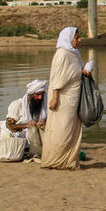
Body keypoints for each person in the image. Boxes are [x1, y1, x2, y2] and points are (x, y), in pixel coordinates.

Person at [42, 27, 89, 170]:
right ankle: (55, 160)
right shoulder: (62, 54)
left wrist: (86, 70)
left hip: (73, 99)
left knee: (71, 129)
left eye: (79, 37)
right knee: (62, 129)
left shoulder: (74, 53)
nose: (79, 40)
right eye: (76, 37)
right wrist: (55, 98)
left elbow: (76, 72)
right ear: (68, 39)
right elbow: (57, 77)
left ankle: (69, 161)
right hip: (63, 99)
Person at [0, 79, 47, 158]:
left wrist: (44, 122)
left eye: (42, 95)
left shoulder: (43, 105)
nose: (40, 97)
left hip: (29, 133)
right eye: (38, 94)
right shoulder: (17, 105)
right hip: (10, 131)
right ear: (30, 94)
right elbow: (10, 126)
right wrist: (27, 125)